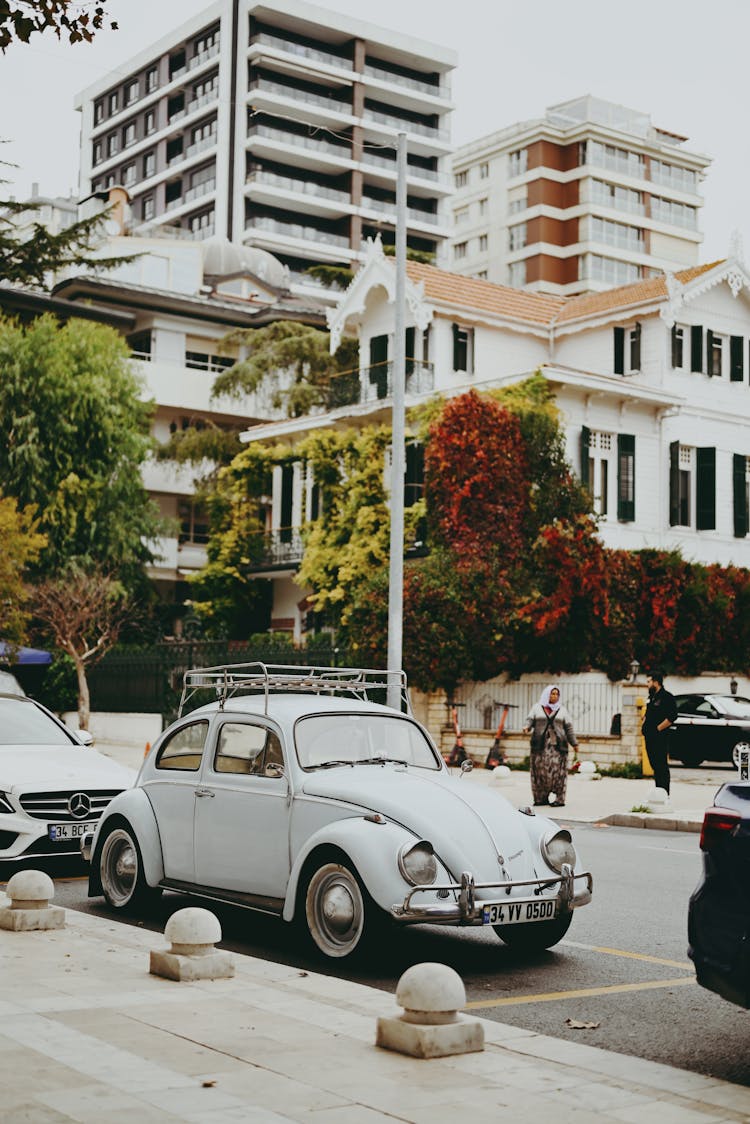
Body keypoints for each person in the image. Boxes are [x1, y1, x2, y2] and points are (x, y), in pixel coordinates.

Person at [524, 685, 578, 807]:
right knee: (539, 772)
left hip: (558, 748)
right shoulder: (537, 708)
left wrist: (574, 743)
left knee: (558, 772)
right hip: (539, 747)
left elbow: (569, 728)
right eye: (552, 694)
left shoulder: (562, 710)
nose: (554, 696)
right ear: (546, 694)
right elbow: (529, 720)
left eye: (556, 694)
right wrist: (526, 727)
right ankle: (540, 798)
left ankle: (559, 799)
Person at [641, 670, 678, 794]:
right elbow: (648, 713)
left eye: (649, 681)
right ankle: (658, 791)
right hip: (649, 737)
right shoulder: (652, 697)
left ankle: (664, 793)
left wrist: (658, 729)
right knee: (655, 766)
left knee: (661, 766)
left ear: (656, 682)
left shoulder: (667, 697)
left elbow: (672, 716)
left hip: (660, 738)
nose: (647, 684)